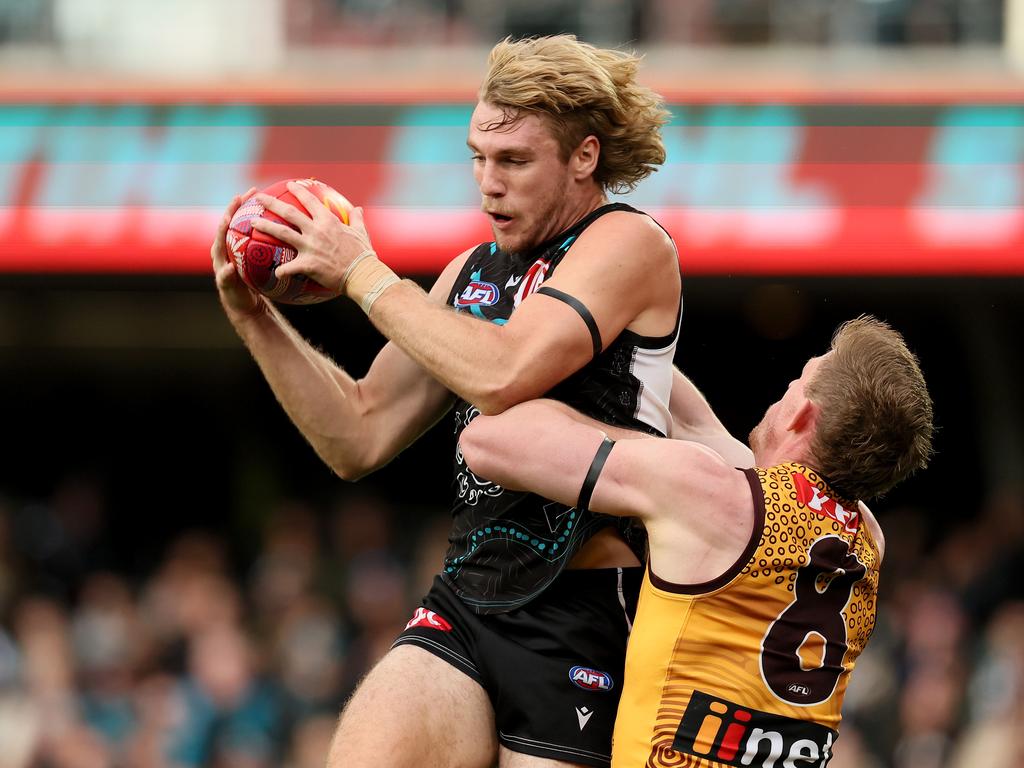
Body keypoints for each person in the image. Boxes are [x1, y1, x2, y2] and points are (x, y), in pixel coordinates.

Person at [211, 35, 681, 768]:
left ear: (584, 157)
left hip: (580, 616)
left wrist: (363, 272)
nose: (488, 184)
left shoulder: (630, 244)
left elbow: (507, 372)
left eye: (514, 162)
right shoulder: (470, 271)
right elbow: (357, 435)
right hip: (466, 595)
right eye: (478, 158)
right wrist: (255, 320)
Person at [459, 315, 934, 767]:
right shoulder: (868, 537)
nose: (785, 390)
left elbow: (484, 442)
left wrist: (533, 360)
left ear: (801, 413)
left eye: (797, 382)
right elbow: (698, 428)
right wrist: (609, 329)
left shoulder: (711, 494)